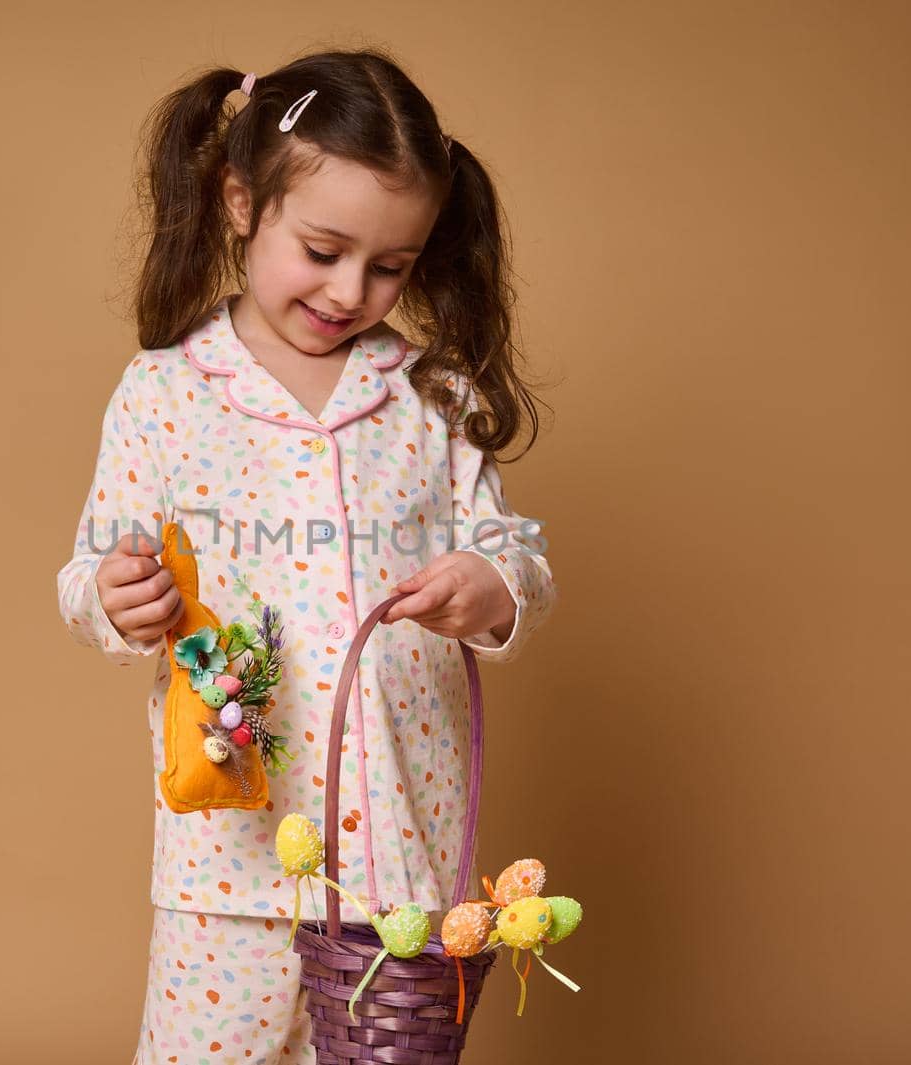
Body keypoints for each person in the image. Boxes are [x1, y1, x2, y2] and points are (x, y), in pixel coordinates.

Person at [56, 47, 558, 1065]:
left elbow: (515, 553)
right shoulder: (164, 396)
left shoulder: (430, 399)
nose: (350, 290)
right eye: (323, 249)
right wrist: (115, 599)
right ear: (242, 203)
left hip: (398, 862)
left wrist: (493, 587)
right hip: (227, 859)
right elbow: (88, 579)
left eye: (390, 266)